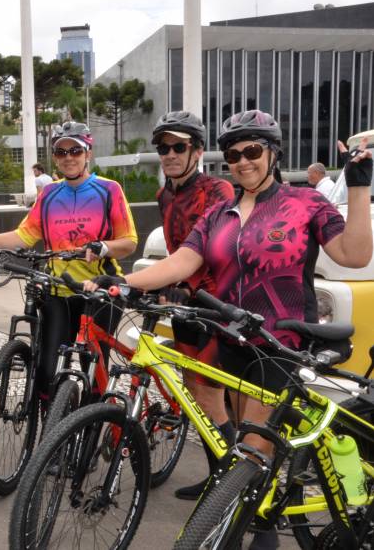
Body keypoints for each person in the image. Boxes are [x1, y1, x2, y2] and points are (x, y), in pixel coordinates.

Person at [86, 110, 373, 550]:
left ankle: (257, 536)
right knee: (231, 442)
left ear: (273, 153)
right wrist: (123, 281)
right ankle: (238, 515)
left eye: (253, 151)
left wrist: (357, 185)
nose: (243, 161)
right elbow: (182, 261)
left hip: (282, 342)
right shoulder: (219, 214)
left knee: (252, 456)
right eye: (234, 154)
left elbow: (353, 254)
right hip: (230, 338)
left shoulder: (305, 202)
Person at [0, 122, 138, 411]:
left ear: (87, 153)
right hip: (59, 289)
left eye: (75, 150)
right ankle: (50, 434)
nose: (69, 157)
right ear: (54, 157)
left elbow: (128, 241)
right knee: (46, 367)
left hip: (100, 290)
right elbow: (24, 235)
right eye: (61, 151)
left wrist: (102, 247)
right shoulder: (50, 194)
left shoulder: (109, 190)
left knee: (92, 364)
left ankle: (93, 426)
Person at [150, 111, 236, 500]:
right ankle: (217, 474)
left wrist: (186, 285)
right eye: (163, 147)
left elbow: (213, 248)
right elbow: (175, 251)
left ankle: (233, 485)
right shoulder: (163, 194)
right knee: (192, 391)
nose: (169, 154)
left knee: (212, 397)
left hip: (216, 303)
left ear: (197, 151)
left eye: (178, 146)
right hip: (185, 304)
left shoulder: (218, 190)